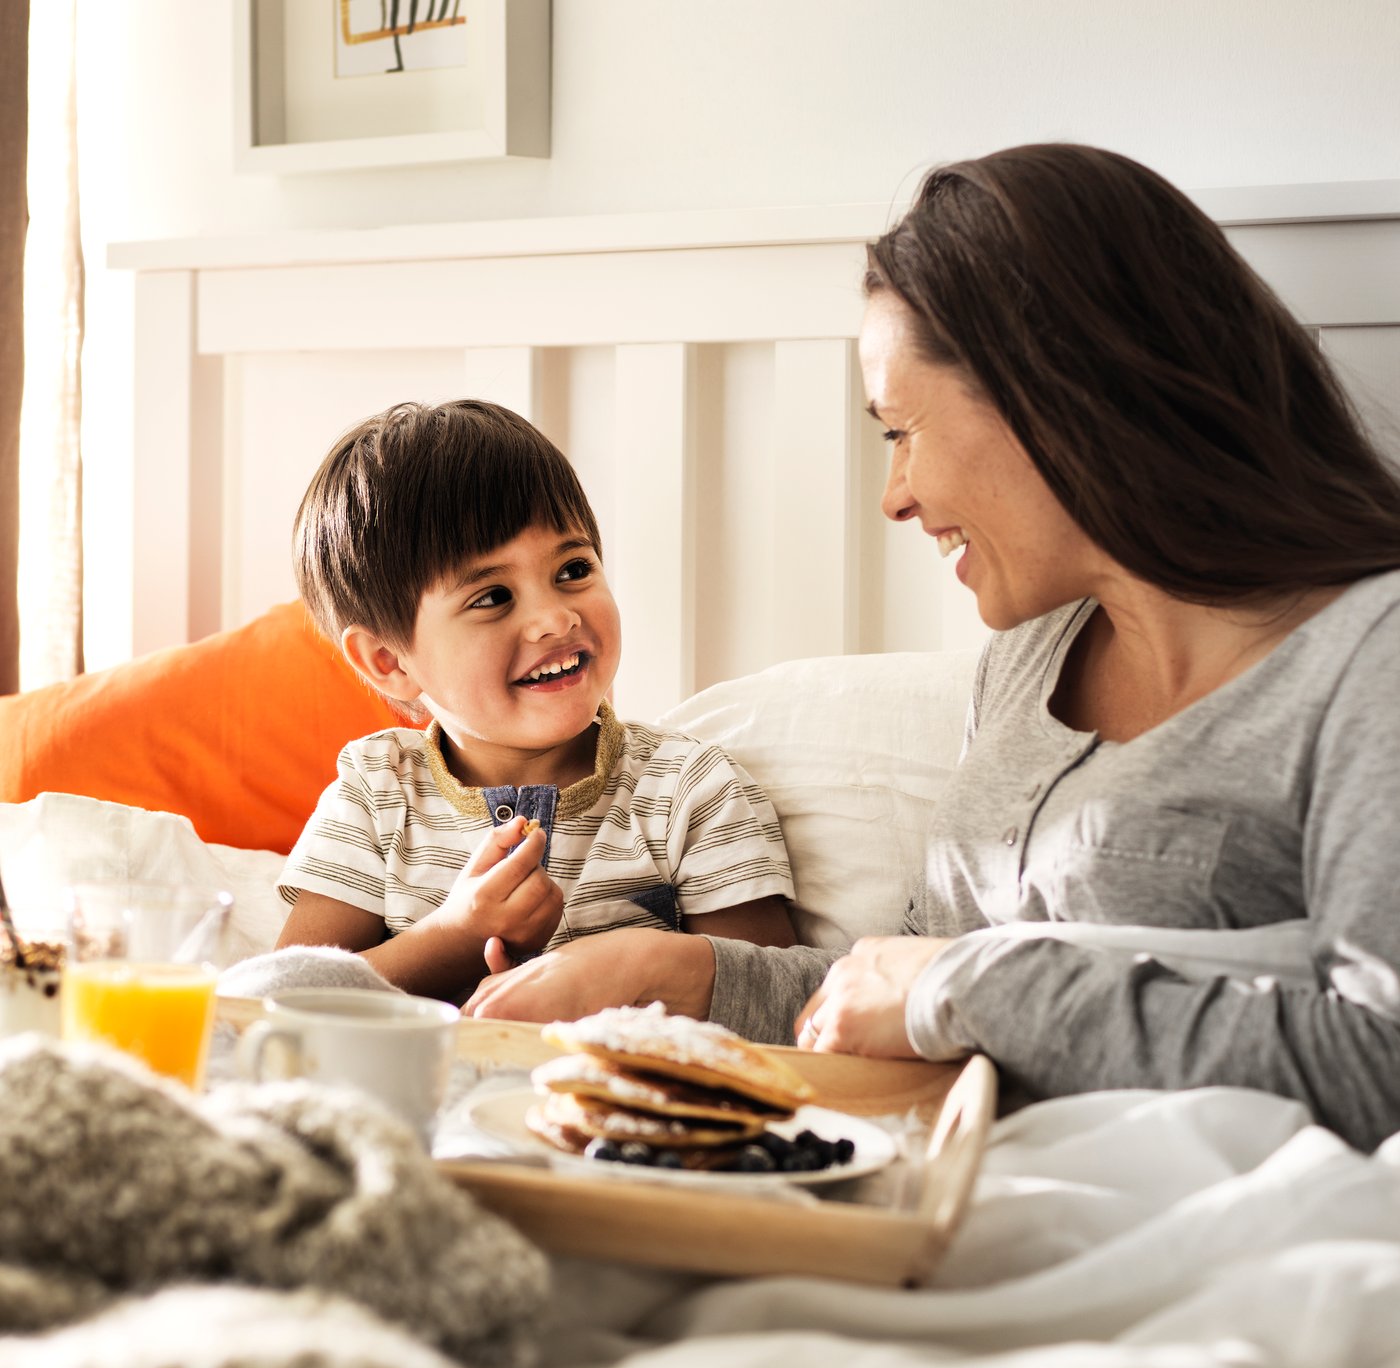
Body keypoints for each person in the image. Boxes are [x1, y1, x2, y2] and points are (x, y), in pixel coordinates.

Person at [464, 143, 1400, 1151]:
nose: (894, 494)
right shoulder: (1029, 662)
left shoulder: (1368, 655)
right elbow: (908, 999)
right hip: (951, 1184)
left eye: (898, 431)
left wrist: (969, 982)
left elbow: (1376, 1064)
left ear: (1053, 396)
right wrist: (676, 973)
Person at [275, 399, 795, 1005]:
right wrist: (457, 936)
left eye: (573, 569)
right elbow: (281, 998)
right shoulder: (376, 789)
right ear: (389, 662)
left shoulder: (689, 789)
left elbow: (774, 1006)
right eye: (493, 596)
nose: (555, 617)